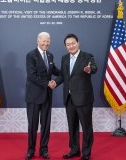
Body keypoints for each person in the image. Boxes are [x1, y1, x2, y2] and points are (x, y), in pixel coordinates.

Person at [49, 33, 97, 160]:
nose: (71, 46)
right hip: (69, 98)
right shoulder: (65, 58)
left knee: (86, 126)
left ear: (78, 43)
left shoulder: (87, 56)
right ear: (66, 46)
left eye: (73, 43)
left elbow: (94, 67)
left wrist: (89, 69)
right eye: (68, 44)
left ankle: (86, 153)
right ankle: (74, 150)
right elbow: (63, 76)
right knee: (72, 126)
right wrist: (55, 82)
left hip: (84, 98)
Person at [25, 32, 59, 160]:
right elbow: (31, 75)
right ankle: (31, 150)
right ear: (38, 41)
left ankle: (44, 149)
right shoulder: (31, 55)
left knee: (46, 124)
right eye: (43, 41)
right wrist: (47, 84)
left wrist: (67, 72)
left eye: (48, 41)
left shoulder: (50, 55)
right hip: (33, 96)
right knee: (33, 125)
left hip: (47, 96)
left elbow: (54, 70)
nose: (46, 43)